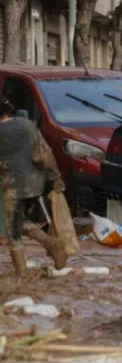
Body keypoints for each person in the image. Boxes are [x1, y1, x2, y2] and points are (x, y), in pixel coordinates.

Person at [0, 94, 68, 276]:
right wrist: (55, 177)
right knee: (18, 222)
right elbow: (43, 155)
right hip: (35, 184)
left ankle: (21, 275)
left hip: (12, 187)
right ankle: (51, 244)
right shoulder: (27, 124)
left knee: (13, 233)